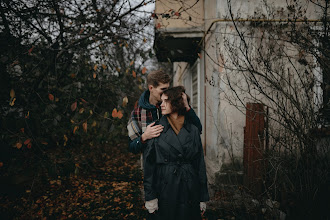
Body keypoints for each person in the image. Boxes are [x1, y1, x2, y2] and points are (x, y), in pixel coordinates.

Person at [143, 86, 209, 220]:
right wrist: (150, 198)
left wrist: (202, 197)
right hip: (165, 188)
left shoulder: (193, 130)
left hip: (190, 187)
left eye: (165, 101)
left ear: (176, 103)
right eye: (161, 101)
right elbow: (149, 167)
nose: (161, 105)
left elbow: (200, 164)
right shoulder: (156, 129)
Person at [127, 70, 202, 154]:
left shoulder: (172, 106)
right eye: (163, 89)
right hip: (151, 164)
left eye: (167, 88)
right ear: (151, 88)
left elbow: (197, 130)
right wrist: (144, 137)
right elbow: (131, 147)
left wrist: (187, 107)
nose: (166, 92)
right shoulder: (137, 113)